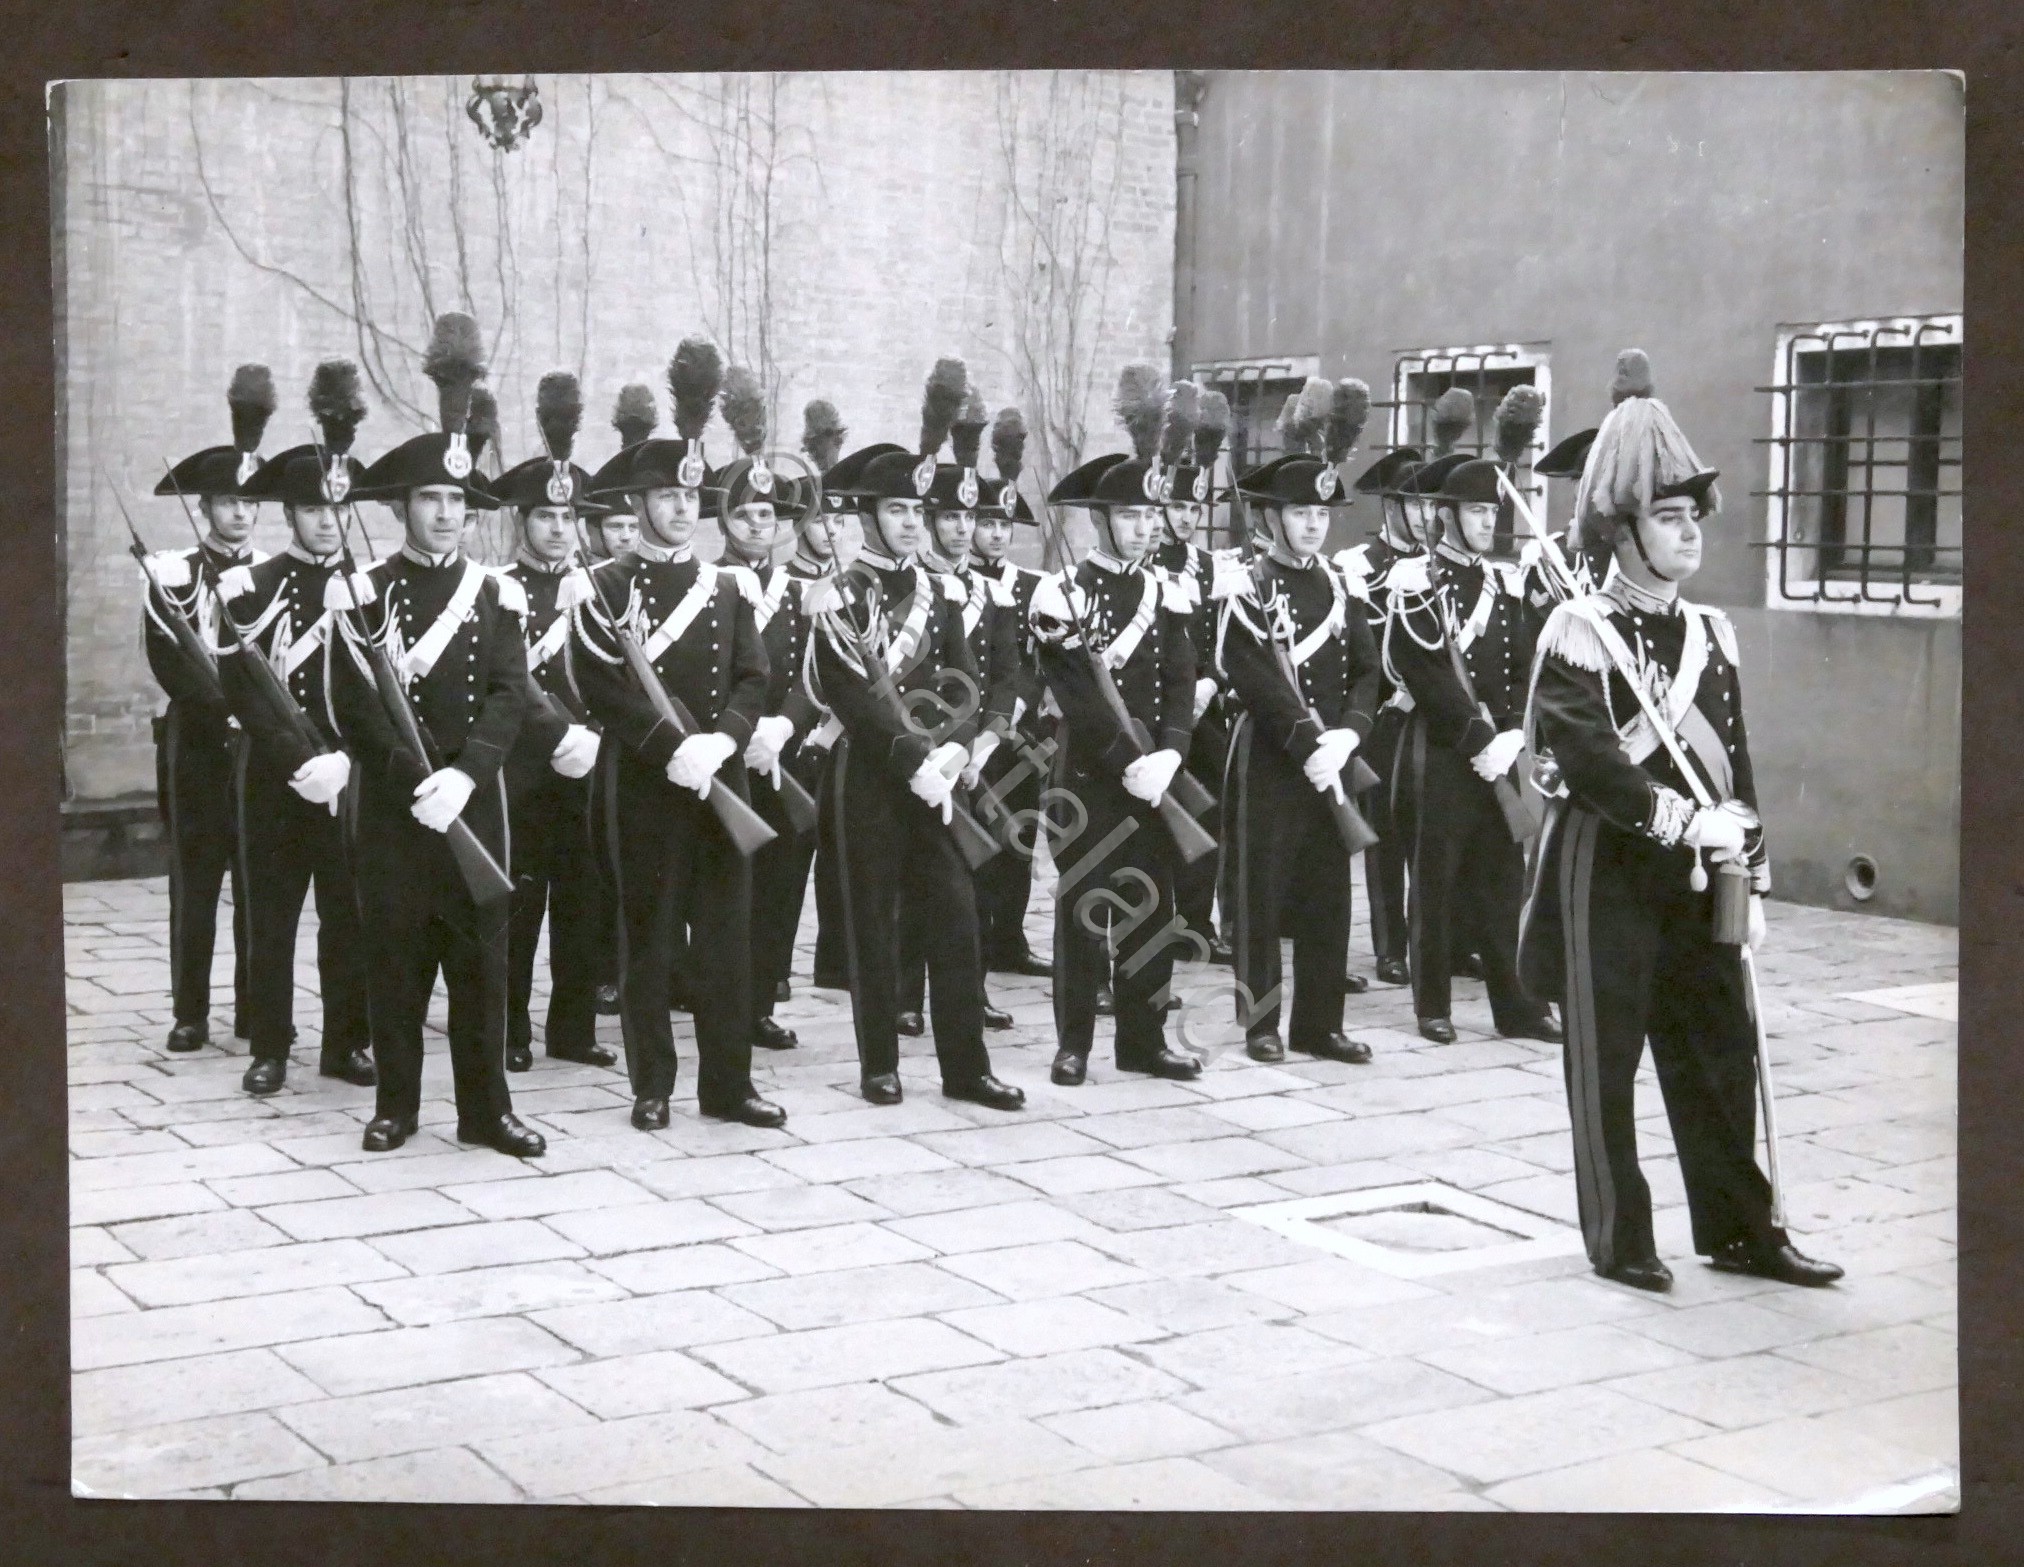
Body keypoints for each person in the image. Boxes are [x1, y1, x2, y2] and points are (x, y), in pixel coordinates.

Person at [1522, 350, 1842, 1293]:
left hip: (1707, 872)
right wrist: (1678, 820)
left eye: (1694, 514)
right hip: (1609, 865)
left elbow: (1736, 761)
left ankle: (1742, 1228)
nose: (1690, 531)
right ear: (1624, 534)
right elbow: (1588, 761)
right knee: (1609, 1054)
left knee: (1718, 1051)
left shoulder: (1709, 636)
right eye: (1668, 516)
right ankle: (1621, 1236)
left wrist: (1755, 865)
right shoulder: (1577, 630)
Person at [327, 313, 545, 1158]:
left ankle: (486, 1112)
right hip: (393, 811)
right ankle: (397, 1107)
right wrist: (408, 776)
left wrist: (466, 774)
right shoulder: (361, 593)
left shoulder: (498, 596)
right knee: (395, 964)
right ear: (404, 507)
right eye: (432, 499)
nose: (447, 513)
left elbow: (509, 695)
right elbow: (354, 703)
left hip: (472, 808)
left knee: (482, 970)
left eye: (458, 499)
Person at [570, 338, 787, 1132]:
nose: (679, 509)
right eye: (664, 496)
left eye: (690, 497)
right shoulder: (602, 587)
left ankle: (728, 1085)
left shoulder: (726, 586)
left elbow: (755, 677)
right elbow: (597, 686)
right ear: (638, 504)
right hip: (645, 786)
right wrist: (672, 750)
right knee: (650, 940)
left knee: (727, 944)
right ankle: (651, 1083)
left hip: (720, 781)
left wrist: (722, 743)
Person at [807, 363, 1024, 1113]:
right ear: (867, 516)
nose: (908, 521)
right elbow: (852, 696)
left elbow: (965, 678)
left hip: (938, 776)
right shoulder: (842, 592)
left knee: (958, 919)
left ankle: (967, 1066)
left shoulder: (938, 590)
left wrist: (958, 750)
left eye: (914, 510)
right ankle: (879, 1064)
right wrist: (913, 758)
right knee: (872, 920)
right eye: (895, 509)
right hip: (870, 776)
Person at [212, 365, 376, 1096]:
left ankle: (346, 1041)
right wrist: (294, 760)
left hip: (349, 777)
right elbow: (240, 686)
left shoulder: (372, 588)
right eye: (311, 510)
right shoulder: (252, 585)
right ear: (289, 513)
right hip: (275, 775)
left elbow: (386, 687)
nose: (325, 522)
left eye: (336, 510)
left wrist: (346, 758)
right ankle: (271, 1045)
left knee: (349, 917)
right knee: (271, 917)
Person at [1032, 444, 1202, 1085]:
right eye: (1131, 516)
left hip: (1157, 777)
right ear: (1102, 521)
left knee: (1153, 908)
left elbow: (1183, 683)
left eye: (1151, 515)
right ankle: (1073, 1043)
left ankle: (1143, 1042)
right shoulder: (1062, 593)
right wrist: (1127, 762)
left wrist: (1171, 754)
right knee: (1084, 910)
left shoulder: (1169, 591)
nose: (1146, 527)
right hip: (1089, 776)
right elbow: (1075, 694)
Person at [1213, 435, 1381, 1066]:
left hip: (1332, 756)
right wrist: (1307, 741)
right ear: (1271, 519)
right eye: (1301, 514)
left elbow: (1368, 669)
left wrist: (1349, 734)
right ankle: (1261, 1023)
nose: (1313, 525)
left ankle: (1320, 1023)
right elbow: (1250, 673)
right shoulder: (1245, 586)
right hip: (1271, 758)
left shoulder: (1339, 584)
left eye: (1320, 515)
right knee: (1262, 892)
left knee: (1329, 893)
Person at [1384, 455, 1562, 1047]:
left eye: (1492, 511)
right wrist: (1474, 739)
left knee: (1502, 879)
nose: (1488, 522)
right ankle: (1432, 1004)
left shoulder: (1504, 582)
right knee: (1435, 879)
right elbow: (1423, 670)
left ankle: (1516, 1005)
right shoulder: (1415, 581)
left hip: (1500, 749)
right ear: (1446, 515)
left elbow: (1521, 666)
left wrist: (1511, 729)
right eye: (1476, 511)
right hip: (1440, 753)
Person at [490, 371, 618, 1076]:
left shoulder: (599, 587)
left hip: (594, 768)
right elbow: (510, 682)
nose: (558, 529)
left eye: (567, 519)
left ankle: (571, 1026)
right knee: (521, 904)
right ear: (522, 522)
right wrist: (557, 739)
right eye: (544, 518)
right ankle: (511, 1024)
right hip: (525, 770)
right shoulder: (498, 590)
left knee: (585, 903)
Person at [143, 366, 271, 1054]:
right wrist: (221, 703)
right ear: (208, 506)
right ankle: (191, 1009)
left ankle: (254, 1009)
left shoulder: (274, 577)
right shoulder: (173, 574)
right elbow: (167, 659)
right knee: (196, 882)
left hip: (257, 747)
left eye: (250, 503)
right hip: (196, 743)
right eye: (227, 502)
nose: (240, 514)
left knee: (258, 880)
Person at [897, 389, 1020, 1036]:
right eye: (947, 518)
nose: (959, 530)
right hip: (918, 751)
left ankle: (968, 990)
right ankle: (904, 995)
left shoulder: (990, 591)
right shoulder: (910, 587)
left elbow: (1003, 676)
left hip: (973, 757)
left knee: (970, 881)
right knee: (913, 879)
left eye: (968, 521)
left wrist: (982, 745)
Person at [713, 382, 827, 1054]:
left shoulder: (798, 593)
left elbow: (816, 674)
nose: (759, 525)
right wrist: (738, 734)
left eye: (768, 515)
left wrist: (782, 728)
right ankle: (716, 998)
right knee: (726, 889)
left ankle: (759, 1001)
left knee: (783, 888)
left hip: (786, 759)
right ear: (724, 521)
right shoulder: (707, 584)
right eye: (746, 514)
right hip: (726, 762)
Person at [1150, 385, 1237, 967]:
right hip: (1155, 713)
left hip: (1206, 711)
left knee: (1210, 815)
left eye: (1192, 508)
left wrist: (1214, 683)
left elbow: (1232, 638)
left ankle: (1197, 922)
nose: (1185, 517)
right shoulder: (1146, 564)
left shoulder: (1213, 567)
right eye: (1177, 507)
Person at [1335, 445, 1423, 988]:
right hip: (1386, 719)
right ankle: (1391, 945)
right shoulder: (1357, 567)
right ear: (1391, 507)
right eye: (1412, 502)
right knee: (1386, 835)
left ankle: (1440, 940)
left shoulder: (1436, 566)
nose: (1423, 514)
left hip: (1431, 720)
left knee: (1432, 836)